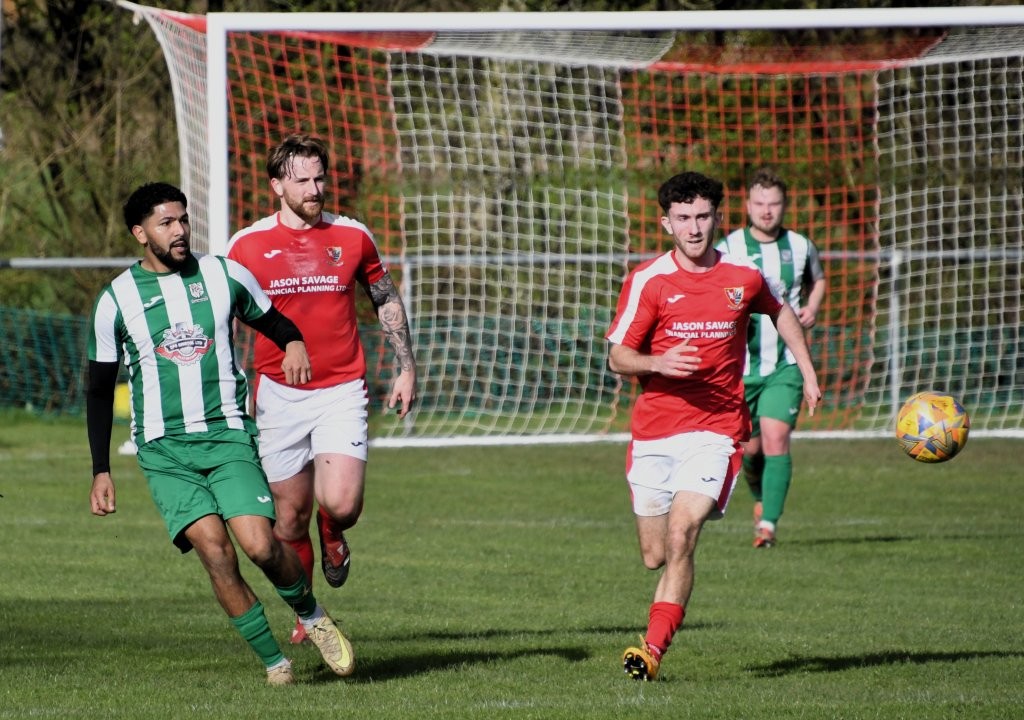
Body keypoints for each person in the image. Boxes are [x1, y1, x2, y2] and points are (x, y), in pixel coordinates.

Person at [86, 182, 355, 685]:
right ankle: (275, 664)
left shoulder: (223, 274)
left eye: (183, 219)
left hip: (227, 436)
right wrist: (101, 469)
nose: (180, 230)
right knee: (215, 551)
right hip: (164, 450)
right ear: (140, 233)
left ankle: (313, 616)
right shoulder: (115, 300)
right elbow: (99, 390)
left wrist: (294, 343)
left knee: (260, 545)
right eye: (167, 223)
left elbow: (274, 321)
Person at [605, 171, 820, 681]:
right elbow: (617, 356)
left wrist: (808, 371)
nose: (694, 228)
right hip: (655, 432)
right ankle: (659, 621)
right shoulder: (649, 280)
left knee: (683, 534)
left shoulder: (743, 276)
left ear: (718, 217)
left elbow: (781, 312)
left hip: (716, 430)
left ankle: (651, 651)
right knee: (655, 555)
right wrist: (658, 363)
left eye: (703, 216)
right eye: (683, 218)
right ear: (666, 223)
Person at [227, 134, 418, 645]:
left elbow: (384, 297)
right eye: (302, 181)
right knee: (289, 519)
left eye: (319, 178)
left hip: (341, 389)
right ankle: (307, 614)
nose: (314, 189)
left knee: (343, 503)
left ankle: (333, 531)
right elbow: (224, 317)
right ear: (276, 186)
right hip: (278, 394)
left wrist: (407, 368)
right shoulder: (245, 246)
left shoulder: (352, 235)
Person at [716, 167, 826, 548]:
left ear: (784, 206)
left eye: (774, 204)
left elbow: (818, 279)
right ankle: (761, 495)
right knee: (750, 450)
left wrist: (812, 307)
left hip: (785, 364)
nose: (767, 211)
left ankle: (768, 527)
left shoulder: (801, 246)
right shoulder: (729, 248)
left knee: (777, 437)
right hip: (741, 367)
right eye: (760, 203)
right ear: (748, 206)